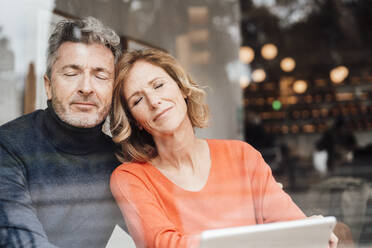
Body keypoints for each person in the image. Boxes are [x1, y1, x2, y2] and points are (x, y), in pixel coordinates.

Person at [109, 49, 338, 248]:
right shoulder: (131, 177)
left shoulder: (242, 156)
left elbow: (288, 224)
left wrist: (308, 233)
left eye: (158, 85)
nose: (154, 101)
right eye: (138, 100)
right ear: (135, 120)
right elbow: (163, 245)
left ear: (182, 89)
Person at [0, 17, 126, 248]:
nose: (86, 88)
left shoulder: (123, 160)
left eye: (100, 75)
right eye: (71, 73)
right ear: (48, 86)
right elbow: (23, 242)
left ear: (113, 88)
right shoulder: (7, 146)